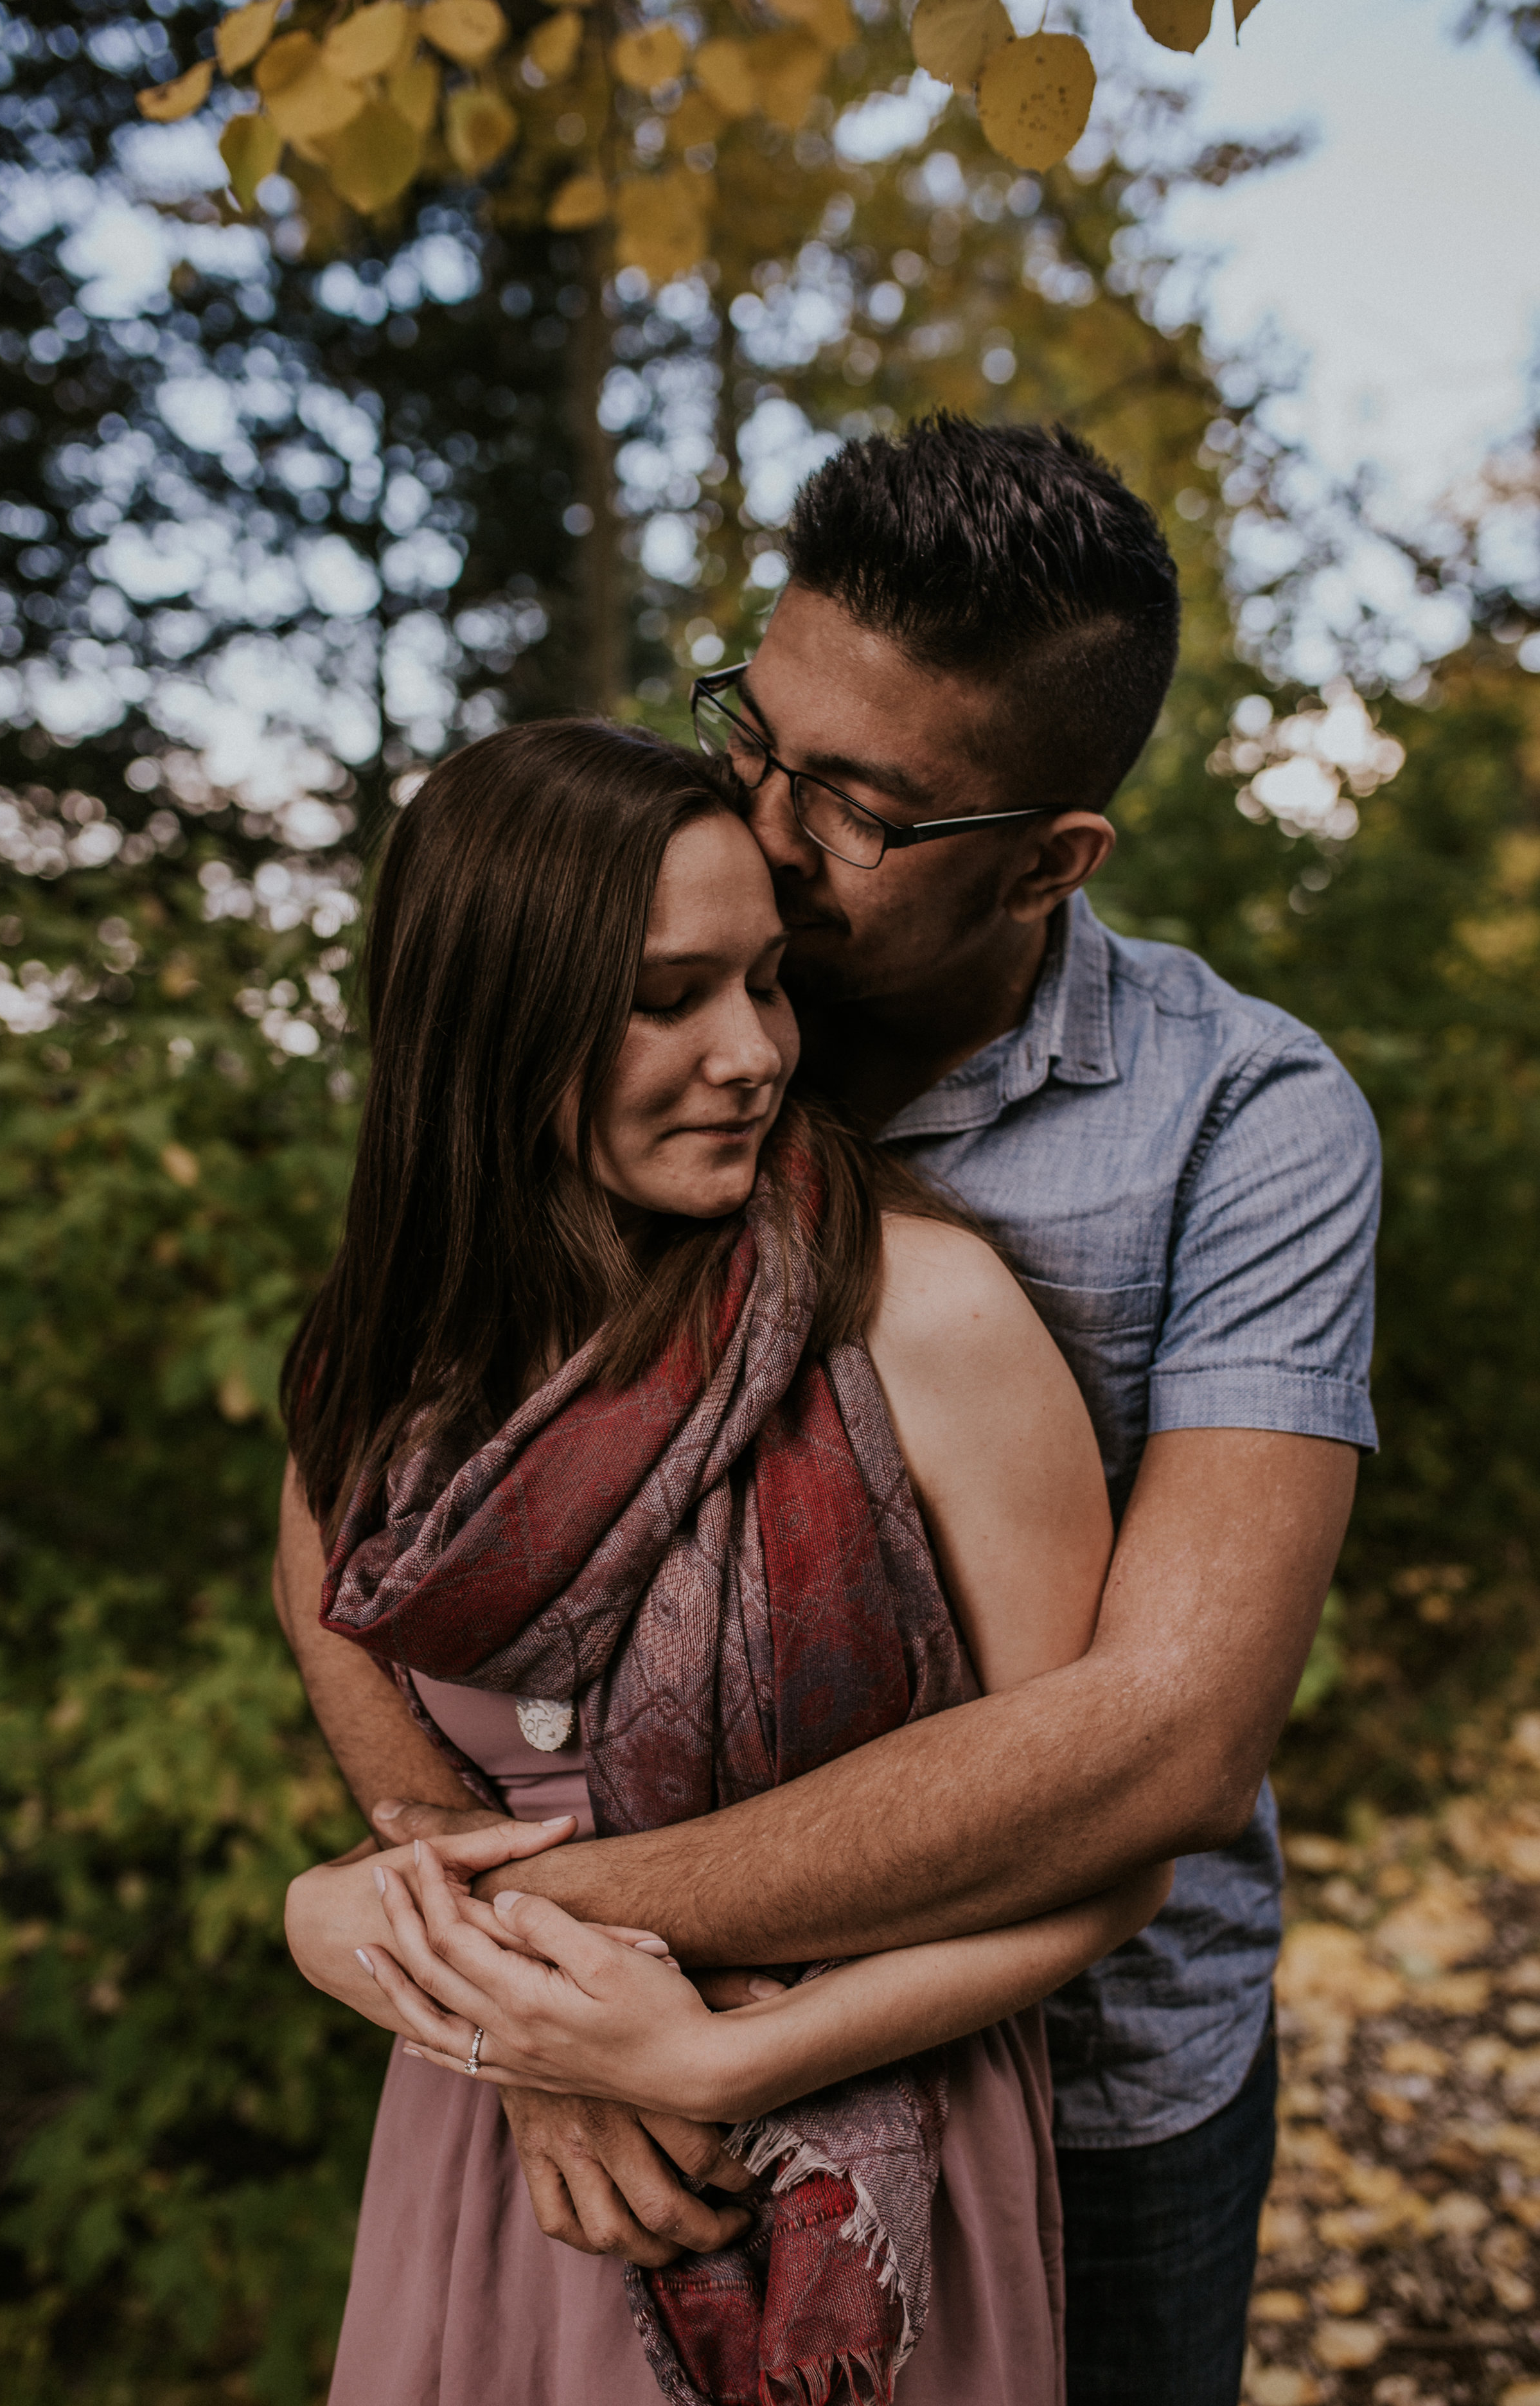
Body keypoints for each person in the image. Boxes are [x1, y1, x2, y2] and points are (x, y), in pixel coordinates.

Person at [276, 418, 1381, 2405]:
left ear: (1048, 855)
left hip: (1078, 2072)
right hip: (568, 2068)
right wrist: (505, 1974)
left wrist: (536, 1948)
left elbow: (1164, 1744)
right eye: (753, 738)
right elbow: (361, 1495)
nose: (768, 827)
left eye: (855, 806)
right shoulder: (658, 963)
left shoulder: (1243, 1126)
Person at [279, 714, 1170, 2406]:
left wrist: (712, 2049)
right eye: (668, 994)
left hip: (855, 2161)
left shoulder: (921, 1314)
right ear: (488, 1021)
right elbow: (377, 1729)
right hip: (512, 2171)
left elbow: (1098, 1849)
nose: (755, 1050)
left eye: (764, 980)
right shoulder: (380, 1372)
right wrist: (519, 2044)